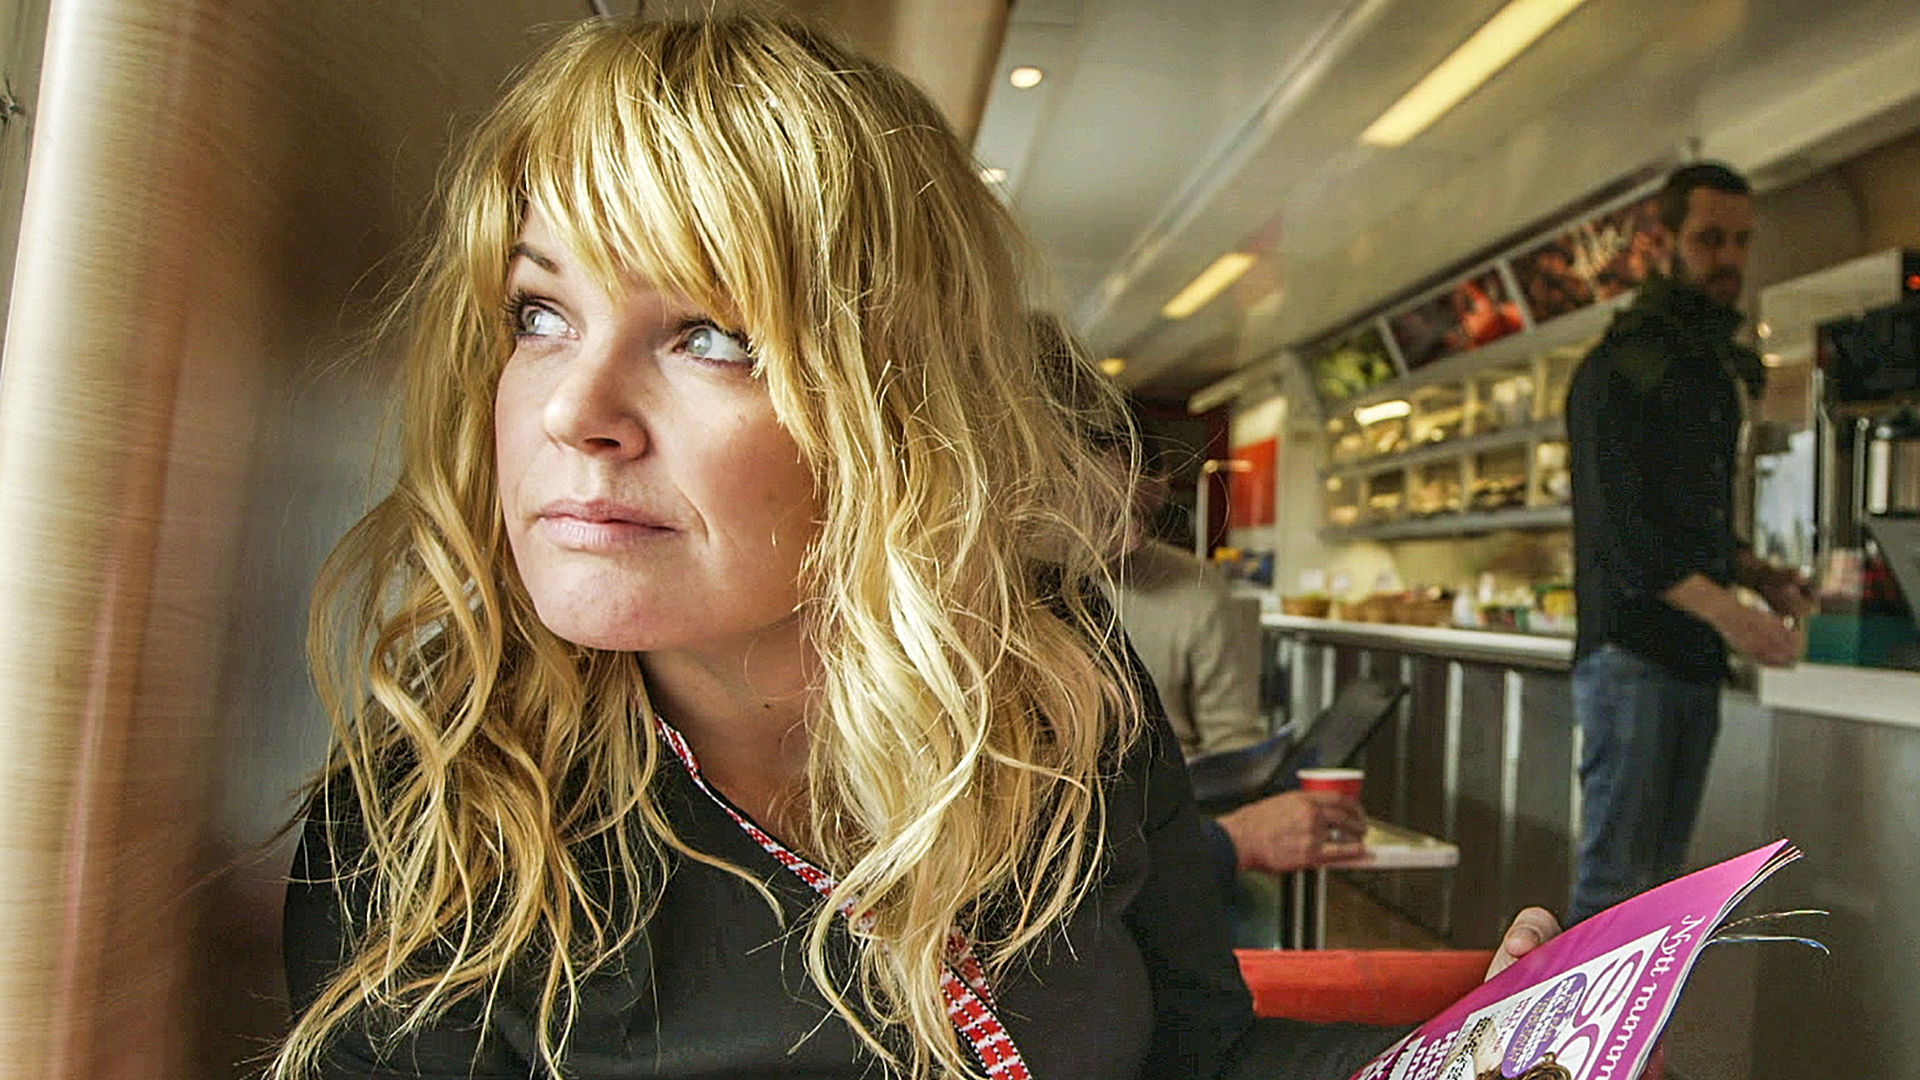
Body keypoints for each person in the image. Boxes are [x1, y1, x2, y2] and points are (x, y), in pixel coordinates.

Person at [274, 15, 1558, 1080]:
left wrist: (1469, 1059)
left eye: (710, 333)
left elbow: (1200, 1054)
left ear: (896, 406)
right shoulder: (429, 833)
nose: (572, 409)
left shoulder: (1055, 675)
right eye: (539, 312)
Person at [1564, 161, 1811, 924]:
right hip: (1630, 656)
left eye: (1740, 241)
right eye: (1709, 239)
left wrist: (1757, 574)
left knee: (1662, 899)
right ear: (1663, 242)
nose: (1728, 258)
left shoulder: (1707, 368)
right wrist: (1736, 616)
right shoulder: (1616, 368)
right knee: (1613, 892)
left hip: (1691, 659)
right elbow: (1622, 535)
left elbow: (1689, 523)